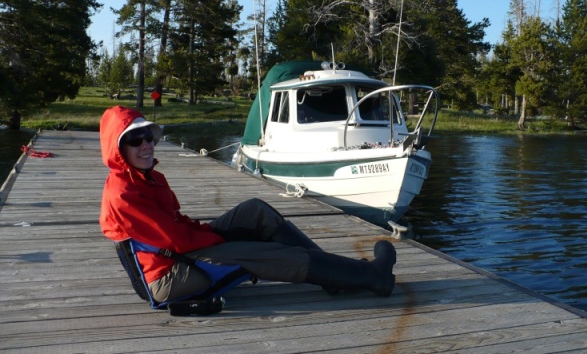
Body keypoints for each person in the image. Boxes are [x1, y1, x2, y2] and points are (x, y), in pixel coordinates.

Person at [99, 106, 397, 306]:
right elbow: (176, 241)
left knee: (255, 211)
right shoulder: (123, 193)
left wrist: (210, 232)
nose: (146, 145)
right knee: (265, 254)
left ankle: (336, 278)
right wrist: (222, 238)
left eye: (148, 136)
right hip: (168, 274)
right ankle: (373, 277)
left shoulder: (148, 178)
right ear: (119, 149)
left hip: (179, 250)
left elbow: (177, 225)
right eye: (135, 140)